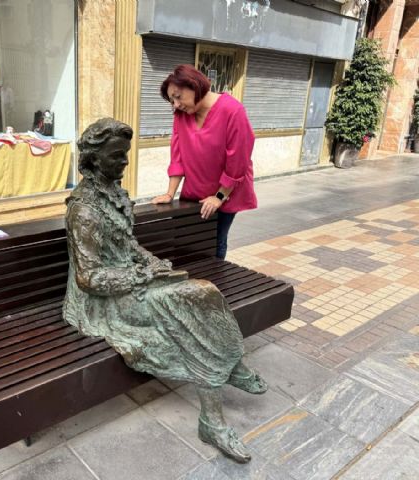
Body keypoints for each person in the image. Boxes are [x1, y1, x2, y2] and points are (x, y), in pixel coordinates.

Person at [63, 118, 267, 463]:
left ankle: (232, 364)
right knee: (191, 309)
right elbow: (89, 278)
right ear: (95, 160)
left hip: (131, 281)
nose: (125, 162)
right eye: (117, 156)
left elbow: (129, 247)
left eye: (125, 154)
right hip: (103, 302)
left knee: (207, 293)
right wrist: (143, 277)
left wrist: (153, 262)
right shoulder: (84, 209)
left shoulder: (113, 194)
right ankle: (213, 419)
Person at [152, 64, 257, 260]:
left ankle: (214, 284)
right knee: (186, 240)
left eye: (178, 96)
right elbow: (177, 156)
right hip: (195, 191)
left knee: (215, 240)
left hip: (226, 193)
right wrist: (169, 193)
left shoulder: (232, 111)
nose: (175, 104)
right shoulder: (181, 115)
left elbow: (238, 161)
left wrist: (219, 196)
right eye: (171, 99)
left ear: (194, 85)